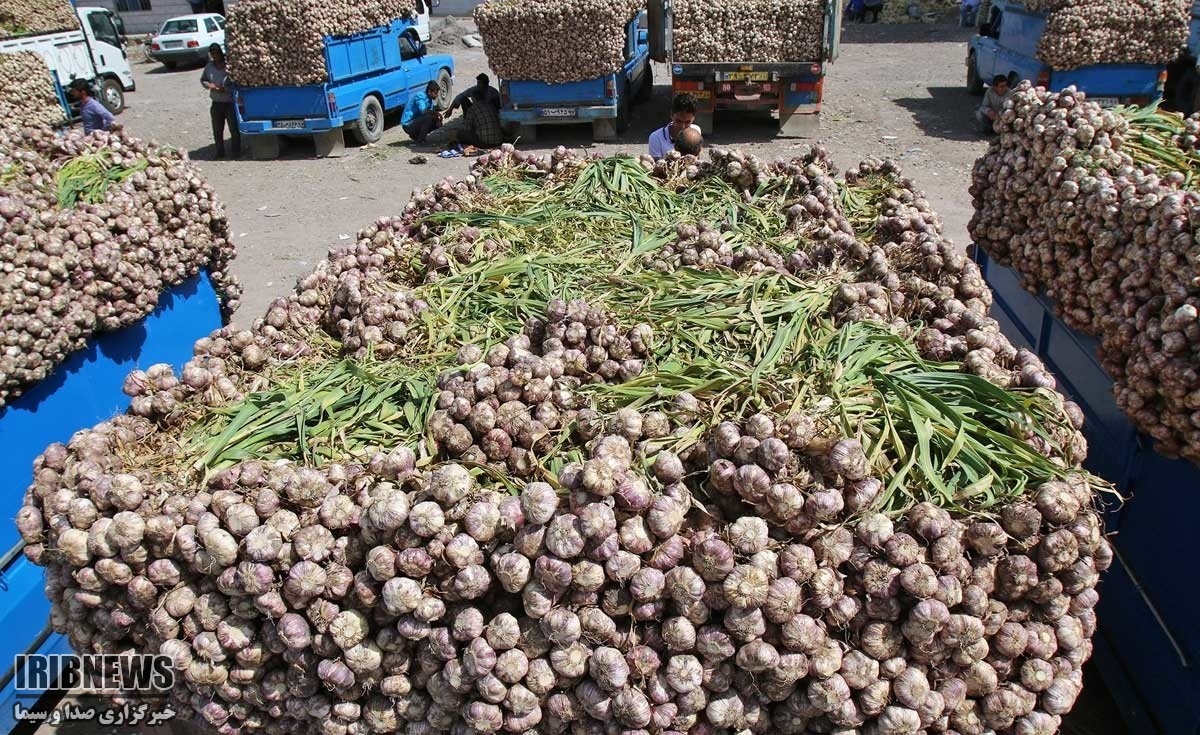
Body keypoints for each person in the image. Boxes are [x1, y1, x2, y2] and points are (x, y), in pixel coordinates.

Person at [200, 44, 240, 159]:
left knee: (234, 128)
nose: (215, 55)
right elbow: (203, 80)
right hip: (216, 103)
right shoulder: (209, 67)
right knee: (217, 130)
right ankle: (219, 152)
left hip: (229, 102)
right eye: (213, 53)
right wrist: (210, 86)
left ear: (220, 53)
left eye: (217, 53)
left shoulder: (228, 66)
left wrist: (226, 88)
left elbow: (235, 81)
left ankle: (236, 152)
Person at [648, 93, 701, 160]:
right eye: (679, 121)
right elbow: (656, 167)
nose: (683, 127)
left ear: (694, 118)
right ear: (671, 115)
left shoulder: (695, 132)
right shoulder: (656, 138)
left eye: (687, 122)